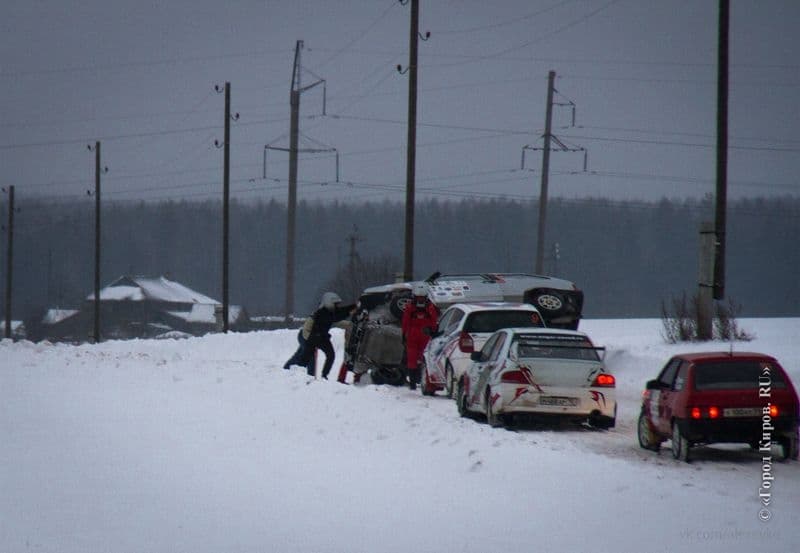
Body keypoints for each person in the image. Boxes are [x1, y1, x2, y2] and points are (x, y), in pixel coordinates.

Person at [300, 292, 355, 379]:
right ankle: (296, 374)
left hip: (322, 338)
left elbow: (339, 314)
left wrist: (354, 306)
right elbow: (337, 317)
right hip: (314, 337)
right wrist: (350, 311)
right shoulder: (322, 313)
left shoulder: (330, 312)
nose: (337, 306)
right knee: (305, 358)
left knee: (330, 355)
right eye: (335, 304)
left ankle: (324, 376)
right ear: (329, 303)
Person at [401, 284, 439, 390]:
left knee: (416, 359)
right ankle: (418, 380)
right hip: (422, 335)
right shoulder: (430, 307)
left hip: (416, 335)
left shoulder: (410, 307)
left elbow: (405, 322)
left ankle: (416, 381)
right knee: (421, 358)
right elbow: (434, 322)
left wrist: (404, 335)